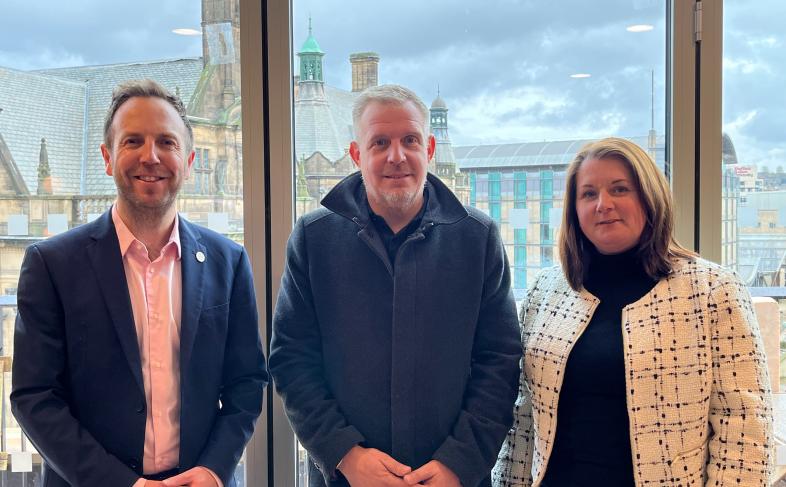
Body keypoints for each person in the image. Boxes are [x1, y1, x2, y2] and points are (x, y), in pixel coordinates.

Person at [11, 79, 268, 487]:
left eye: (167, 142)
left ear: (188, 160)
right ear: (107, 158)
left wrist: (213, 470)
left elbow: (247, 382)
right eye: (133, 141)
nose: (151, 156)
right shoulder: (52, 264)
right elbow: (35, 397)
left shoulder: (229, 261)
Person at [269, 84, 521, 487]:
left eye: (410, 140)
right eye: (380, 142)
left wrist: (459, 462)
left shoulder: (477, 238)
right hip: (345, 479)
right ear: (356, 153)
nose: (397, 156)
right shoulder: (314, 238)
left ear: (430, 148)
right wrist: (345, 455)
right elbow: (292, 359)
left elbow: (500, 362)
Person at [493, 137, 773, 486]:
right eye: (589, 194)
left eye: (620, 189)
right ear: (574, 209)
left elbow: (745, 428)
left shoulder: (713, 290)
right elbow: (523, 419)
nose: (603, 204)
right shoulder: (546, 291)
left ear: (649, 198)